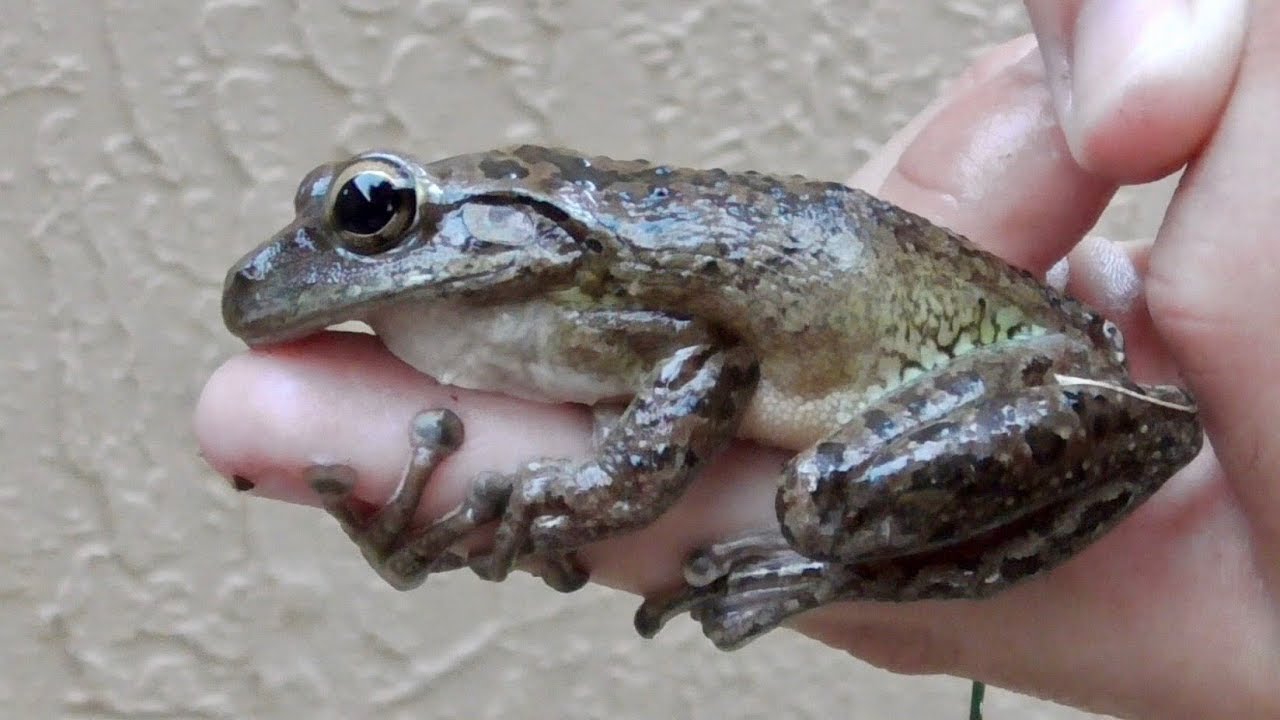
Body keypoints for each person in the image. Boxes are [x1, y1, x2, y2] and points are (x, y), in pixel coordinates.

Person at [196, 1, 1277, 716]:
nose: (308, 260)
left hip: (987, 374)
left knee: (822, 504)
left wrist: (595, 490)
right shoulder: (555, 306)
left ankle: (842, 561)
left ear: (491, 223)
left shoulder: (576, 297)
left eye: (371, 212)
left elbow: (709, 368)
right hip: (1008, 349)